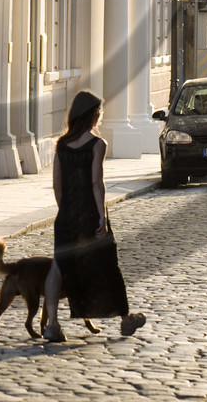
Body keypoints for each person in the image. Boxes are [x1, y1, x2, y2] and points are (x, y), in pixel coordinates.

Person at [41, 91, 146, 342]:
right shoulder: (97, 144)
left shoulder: (61, 145)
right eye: (99, 112)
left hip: (66, 215)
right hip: (90, 213)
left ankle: (52, 325)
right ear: (92, 115)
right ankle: (125, 319)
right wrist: (101, 216)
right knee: (109, 265)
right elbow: (96, 183)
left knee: (58, 267)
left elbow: (57, 184)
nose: (100, 116)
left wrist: (66, 210)